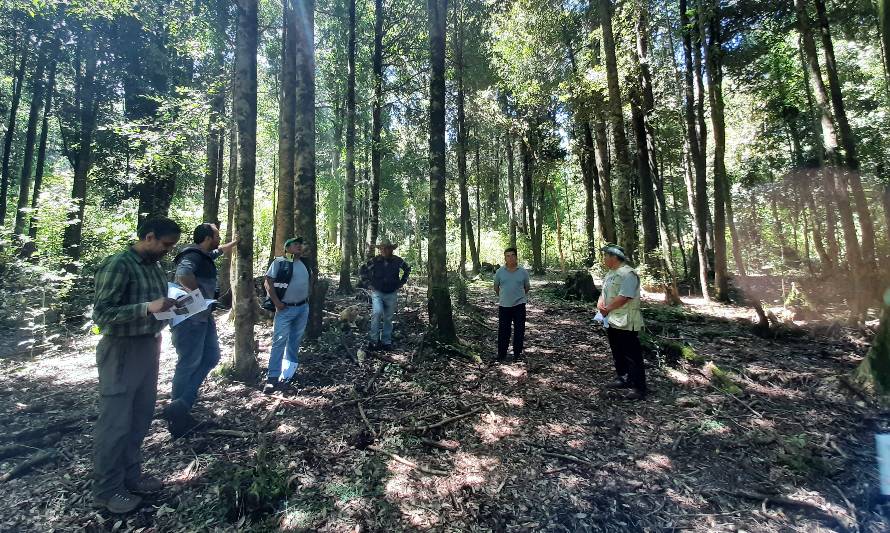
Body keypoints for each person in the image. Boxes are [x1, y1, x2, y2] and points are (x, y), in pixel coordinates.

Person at [91, 217, 182, 513]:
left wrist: (171, 306)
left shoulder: (154, 267)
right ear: (149, 236)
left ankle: (131, 476)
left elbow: (158, 303)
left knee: (140, 416)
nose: (168, 251)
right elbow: (102, 314)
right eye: (166, 244)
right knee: (115, 421)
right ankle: (107, 490)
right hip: (120, 351)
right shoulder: (118, 264)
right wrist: (147, 307)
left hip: (148, 346)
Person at [163, 223, 237, 438]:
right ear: (206, 237)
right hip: (190, 318)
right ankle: (178, 417)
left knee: (212, 357)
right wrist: (198, 298)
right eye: (216, 235)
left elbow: (217, 251)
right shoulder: (193, 255)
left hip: (202, 317)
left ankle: (182, 404)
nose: (218, 238)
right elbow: (183, 274)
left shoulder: (204, 255)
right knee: (188, 362)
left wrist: (234, 243)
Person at [597, 244, 647, 400]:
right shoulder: (611, 274)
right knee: (617, 351)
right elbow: (604, 293)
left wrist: (607, 308)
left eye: (606, 255)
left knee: (631, 354)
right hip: (612, 319)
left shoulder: (628, 274)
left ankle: (639, 387)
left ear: (614, 257)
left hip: (626, 320)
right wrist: (600, 305)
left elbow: (625, 296)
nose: (604, 258)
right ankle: (623, 377)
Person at [263, 237, 312, 394]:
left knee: (295, 341)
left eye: (300, 244)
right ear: (287, 248)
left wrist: (307, 297)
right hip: (285, 309)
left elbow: (311, 280)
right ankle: (272, 378)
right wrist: (276, 302)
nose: (298, 246)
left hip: (302, 308)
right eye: (295, 244)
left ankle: (289, 373)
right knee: (279, 342)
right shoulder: (279, 262)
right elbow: (268, 282)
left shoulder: (304, 263)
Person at [365, 239, 411, 350]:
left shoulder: (397, 260)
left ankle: (386, 342)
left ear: (391, 249)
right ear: (379, 250)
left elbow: (407, 269)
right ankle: (373, 341)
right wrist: (368, 284)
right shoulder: (374, 261)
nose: (384, 250)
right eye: (382, 248)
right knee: (377, 313)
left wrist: (402, 282)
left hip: (392, 292)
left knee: (388, 318)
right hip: (377, 292)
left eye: (387, 248)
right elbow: (363, 270)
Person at [494, 247, 530, 362]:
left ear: (516, 257)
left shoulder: (523, 271)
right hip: (504, 306)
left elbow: (527, 287)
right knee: (504, 330)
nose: (510, 258)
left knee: (519, 330)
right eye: (507, 256)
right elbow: (496, 287)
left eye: (512, 255)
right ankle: (501, 354)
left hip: (519, 305)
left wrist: (519, 297)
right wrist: (504, 297)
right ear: (505, 258)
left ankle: (517, 353)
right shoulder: (500, 271)